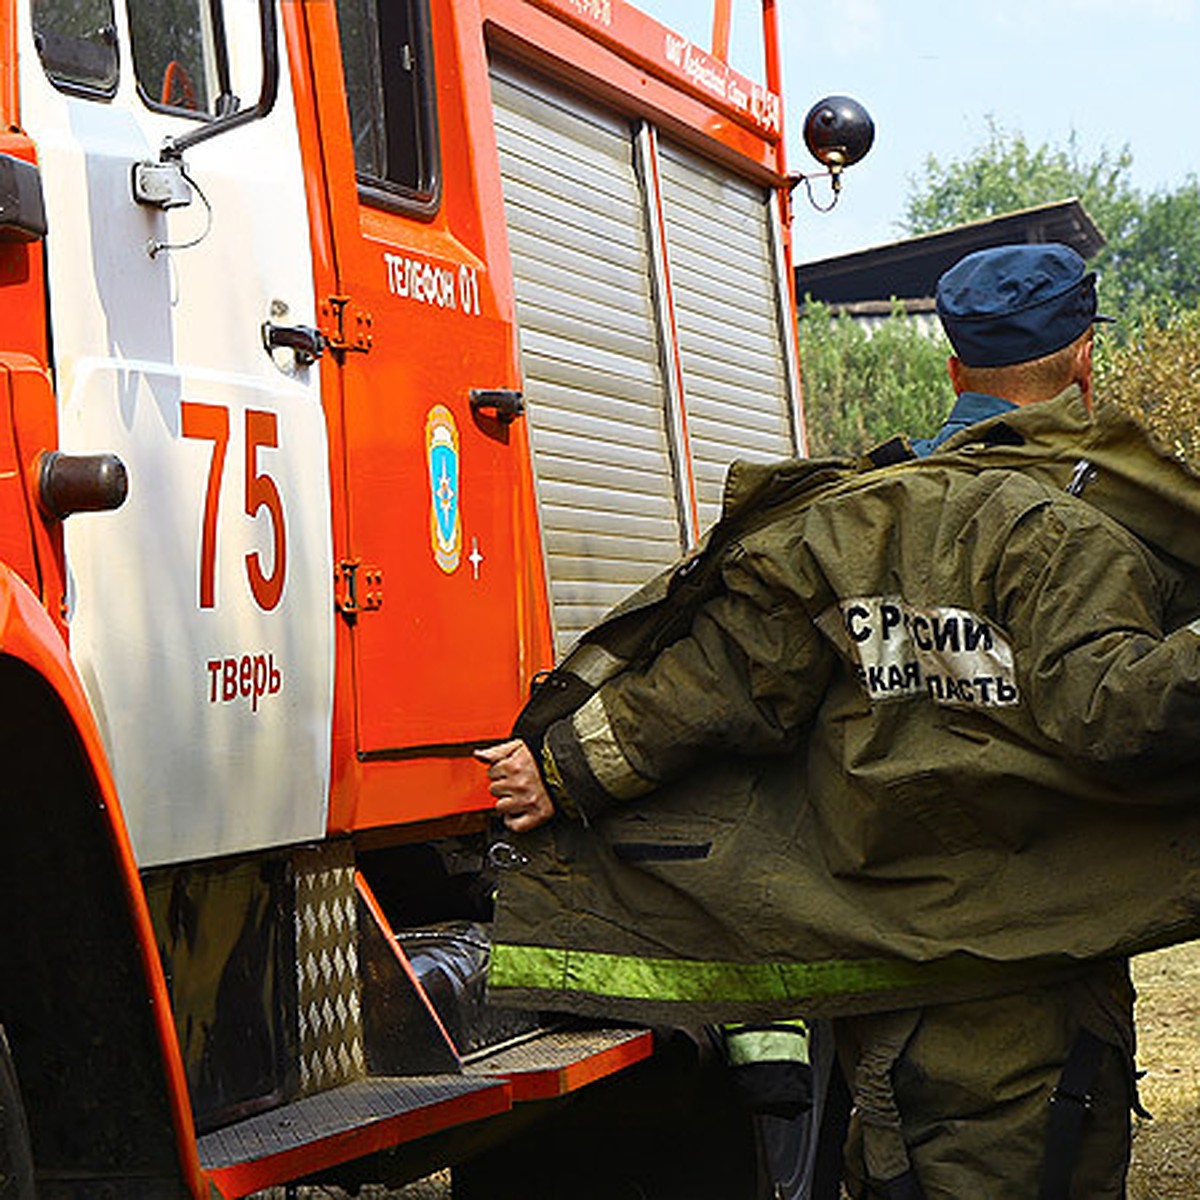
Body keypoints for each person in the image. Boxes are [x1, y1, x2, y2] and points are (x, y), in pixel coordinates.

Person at [476, 244, 1200, 1197]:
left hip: (884, 988)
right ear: (1081, 363)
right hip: (1027, 988)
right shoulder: (1072, 529)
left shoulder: (853, 518)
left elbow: (718, 683)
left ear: (954, 369)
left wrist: (560, 768)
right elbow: (1116, 710)